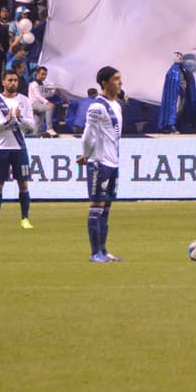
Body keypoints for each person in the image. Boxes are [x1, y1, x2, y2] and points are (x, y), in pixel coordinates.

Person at [78, 65, 124, 263]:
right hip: (99, 162)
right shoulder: (97, 107)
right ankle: (94, 253)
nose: (120, 82)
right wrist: (87, 155)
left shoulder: (116, 105)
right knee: (96, 207)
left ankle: (103, 251)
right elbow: (88, 135)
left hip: (112, 163)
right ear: (105, 83)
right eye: (116, 79)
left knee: (106, 209)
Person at [0, 70, 37, 231]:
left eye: (15, 80)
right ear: (3, 82)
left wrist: (20, 119)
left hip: (19, 148)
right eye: (10, 80)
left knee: (23, 184)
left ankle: (25, 219)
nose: (13, 83)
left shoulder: (24, 101)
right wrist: (6, 121)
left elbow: (32, 125)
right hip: (2, 148)